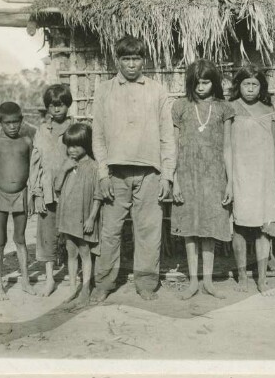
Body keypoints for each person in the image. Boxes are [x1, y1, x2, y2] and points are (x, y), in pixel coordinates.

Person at [91, 35, 175, 303]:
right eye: (126, 58)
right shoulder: (104, 90)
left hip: (150, 172)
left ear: (144, 60)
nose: (131, 64)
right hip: (116, 172)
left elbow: (167, 136)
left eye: (136, 58)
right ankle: (103, 283)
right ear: (117, 60)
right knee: (109, 231)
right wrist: (103, 173)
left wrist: (167, 176)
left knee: (149, 231)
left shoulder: (157, 91)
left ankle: (146, 282)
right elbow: (98, 136)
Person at [171, 59, 235, 300]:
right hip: (187, 174)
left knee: (209, 227)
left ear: (214, 82)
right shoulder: (180, 107)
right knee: (190, 228)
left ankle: (208, 281)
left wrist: (230, 182)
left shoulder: (223, 108)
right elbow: (175, 146)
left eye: (206, 82)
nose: (201, 87)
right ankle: (193, 281)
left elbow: (228, 147)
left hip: (214, 176)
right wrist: (174, 179)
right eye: (196, 82)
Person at [229, 65, 275, 296]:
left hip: (264, 176)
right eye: (245, 84)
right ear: (238, 86)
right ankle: (242, 275)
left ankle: (261, 278)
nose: (250, 89)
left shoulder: (269, 109)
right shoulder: (230, 108)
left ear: (261, 87)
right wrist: (228, 179)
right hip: (240, 174)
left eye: (254, 84)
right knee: (239, 226)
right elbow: (226, 146)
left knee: (265, 227)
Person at [0, 102, 35, 300]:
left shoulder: (26, 142)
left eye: (16, 122)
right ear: (0, 122)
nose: (12, 126)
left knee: (20, 238)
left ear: (21, 120)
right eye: (8, 123)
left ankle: (26, 281)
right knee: (0, 239)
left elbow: (32, 173)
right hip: (0, 194)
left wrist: (30, 197)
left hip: (21, 194)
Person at [28, 84, 74, 297]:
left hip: (71, 188)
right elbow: (35, 163)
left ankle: (74, 278)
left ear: (68, 105)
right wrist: (36, 193)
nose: (57, 109)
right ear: (47, 107)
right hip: (47, 190)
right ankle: (49, 280)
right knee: (47, 235)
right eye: (53, 105)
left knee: (74, 234)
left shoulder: (75, 129)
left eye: (61, 105)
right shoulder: (41, 131)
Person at [54, 123, 102, 308]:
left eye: (76, 145)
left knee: (84, 252)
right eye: (69, 145)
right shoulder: (67, 164)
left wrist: (91, 218)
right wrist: (64, 169)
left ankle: (85, 288)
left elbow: (98, 195)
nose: (71, 149)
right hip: (68, 217)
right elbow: (57, 187)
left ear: (86, 144)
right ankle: (73, 286)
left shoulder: (94, 167)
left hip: (83, 218)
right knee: (71, 252)